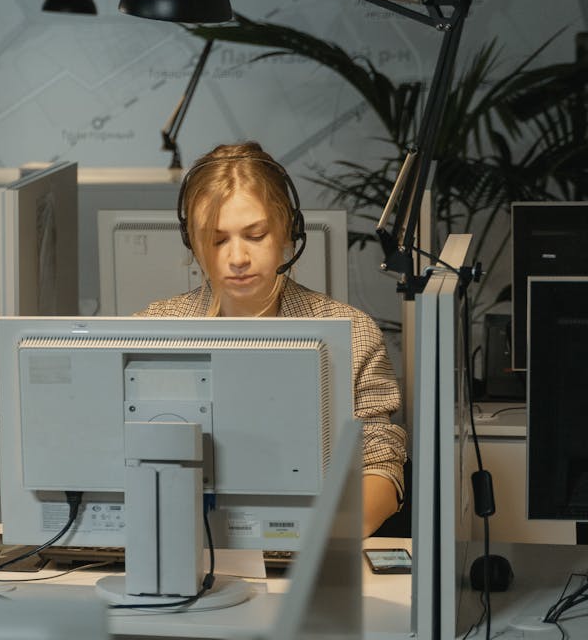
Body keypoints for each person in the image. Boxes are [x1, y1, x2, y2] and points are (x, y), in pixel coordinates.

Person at [136, 141, 408, 537]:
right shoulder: (153, 330)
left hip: (312, 549)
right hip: (182, 545)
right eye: (217, 240)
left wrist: (330, 533)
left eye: (256, 235)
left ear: (287, 232)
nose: (237, 257)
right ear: (192, 244)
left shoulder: (350, 331)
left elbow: (381, 460)